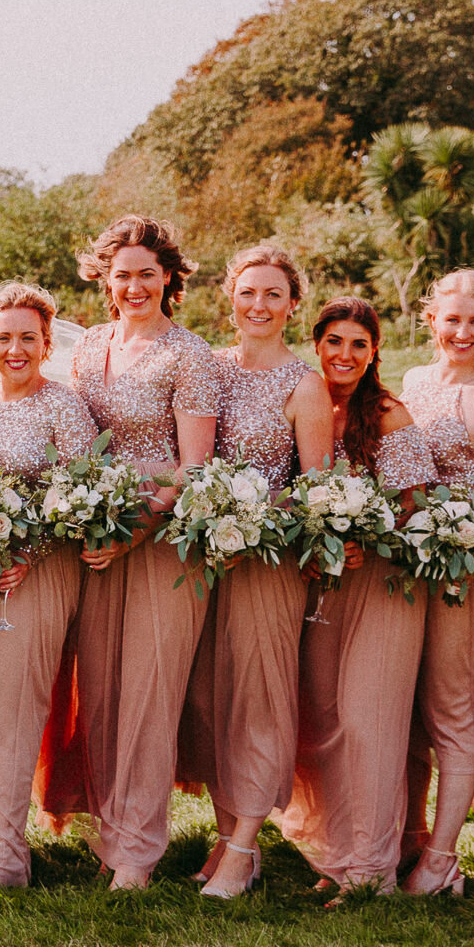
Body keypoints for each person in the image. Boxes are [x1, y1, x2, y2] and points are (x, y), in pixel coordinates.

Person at [38, 215, 220, 890]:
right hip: (96, 538)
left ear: (168, 277)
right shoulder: (89, 346)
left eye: (148, 273)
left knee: (150, 689)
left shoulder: (189, 354)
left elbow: (194, 467)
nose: (135, 285)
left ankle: (139, 851)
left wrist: (136, 526)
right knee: (104, 687)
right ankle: (108, 829)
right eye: (124, 275)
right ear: (105, 280)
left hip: (164, 542)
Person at [179, 247, 331, 899]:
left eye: (273, 294)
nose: (259, 306)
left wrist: (256, 521)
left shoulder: (306, 385)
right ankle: (223, 832)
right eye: (248, 293)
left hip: (270, 563)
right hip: (205, 561)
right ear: (229, 298)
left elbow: (315, 489)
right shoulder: (207, 368)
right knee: (209, 700)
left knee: (260, 702)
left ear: (293, 304)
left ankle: (245, 847)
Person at [278, 298, 436, 902]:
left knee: (369, 721)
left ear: (375, 353)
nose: (345, 355)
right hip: (320, 581)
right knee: (323, 719)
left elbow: (411, 503)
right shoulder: (307, 401)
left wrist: (364, 535)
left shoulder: (389, 415)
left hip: (381, 583)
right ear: (316, 344)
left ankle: (371, 870)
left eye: (359, 345)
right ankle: (339, 853)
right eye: (334, 342)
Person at [0, 283, 97, 889]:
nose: (15, 348)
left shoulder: (64, 406)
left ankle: (3, 860)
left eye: (27, 337)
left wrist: (27, 552)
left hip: (39, 571)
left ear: (46, 343)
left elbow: (82, 494)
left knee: (14, 705)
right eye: (3, 337)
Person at [395, 267, 474, 896]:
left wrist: (447, 536)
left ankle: (445, 857)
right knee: (407, 708)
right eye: (452, 319)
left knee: (452, 709)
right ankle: (408, 836)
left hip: (460, 579)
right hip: (399, 575)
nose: (463, 332)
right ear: (431, 321)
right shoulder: (414, 382)